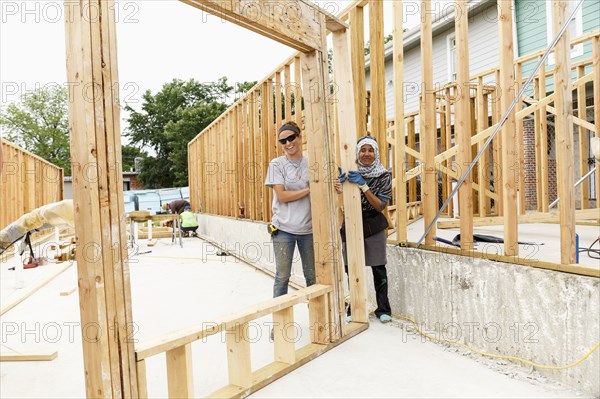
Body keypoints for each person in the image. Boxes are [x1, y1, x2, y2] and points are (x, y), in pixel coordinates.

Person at [335, 136, 393, 323]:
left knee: (378, 267)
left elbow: (380, 206)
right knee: (351, 268)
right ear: (357, 153)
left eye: (370, 150)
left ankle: (383, 309)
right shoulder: (349, 172)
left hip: (373, 223)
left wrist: (364, 186)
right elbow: (337, 199)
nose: (366, 154)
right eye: (363, 150)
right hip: (351, 222)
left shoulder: (384, 175)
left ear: (375, 153)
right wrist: (338, 185)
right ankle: (355, 306)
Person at [265, 121, 315, 298]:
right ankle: (280, 325)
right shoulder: (277, 164)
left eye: (291, 138)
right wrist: (310, 189)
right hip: (283, 229)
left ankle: (318, 322)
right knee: (282, 276)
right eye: (283, 141)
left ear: (299, 137)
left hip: (308, 230)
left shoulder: (312, 163)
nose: (288, 144)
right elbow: (282, 196)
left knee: (312, 277)